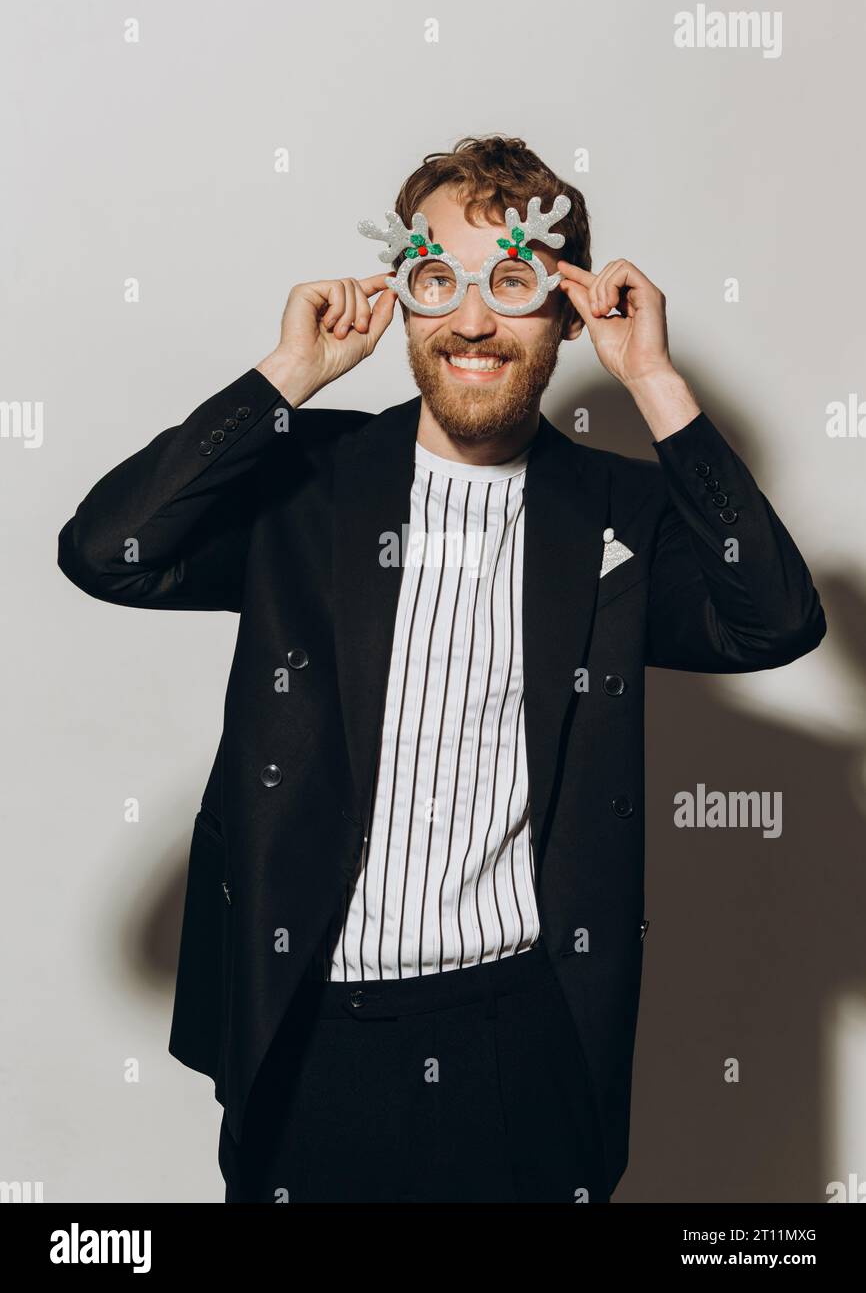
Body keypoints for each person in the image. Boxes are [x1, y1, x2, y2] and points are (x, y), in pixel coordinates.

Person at [57, 135, 826, 1203]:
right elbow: (107, 552)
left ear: (566, 305)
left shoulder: (617, 512)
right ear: (403, 296)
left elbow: (774, 623)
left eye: (510, 281)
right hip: (309, 1031)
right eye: (438, 282)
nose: (471, 320)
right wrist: (289, 373)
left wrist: (652, 381)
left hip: (525, 1037)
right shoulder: (305, 481)